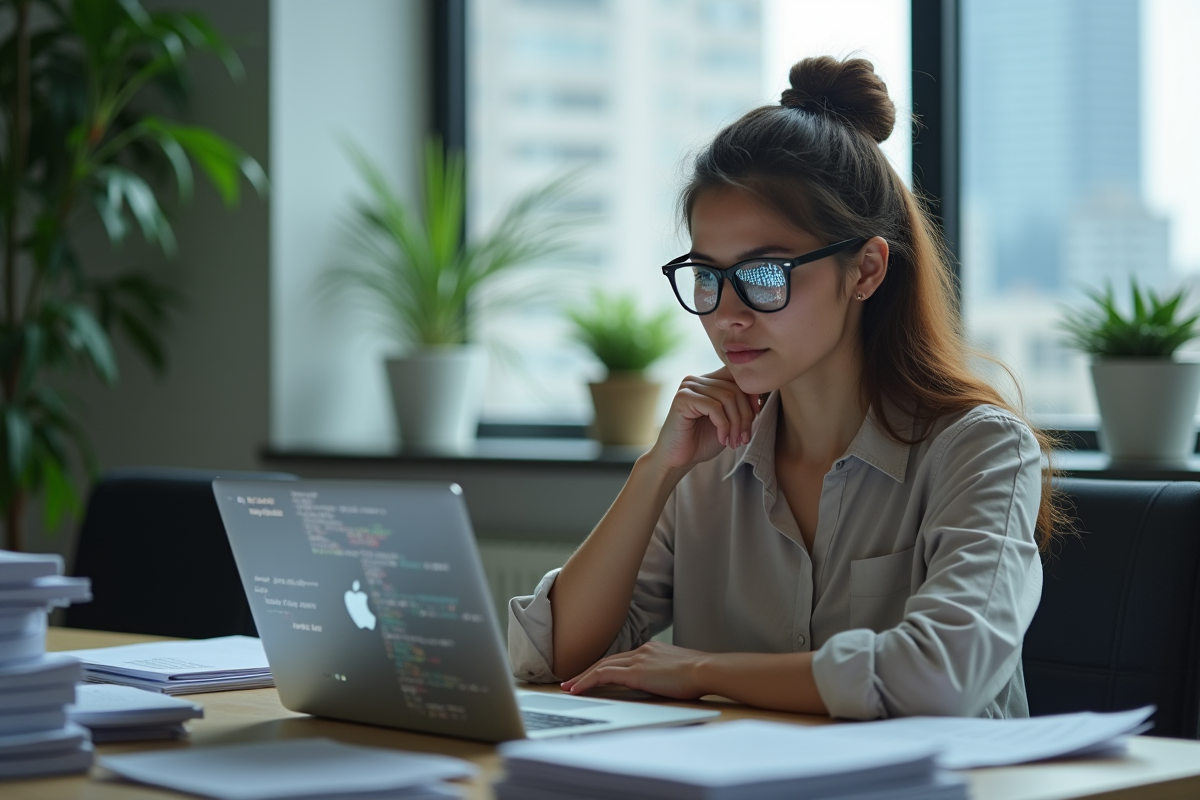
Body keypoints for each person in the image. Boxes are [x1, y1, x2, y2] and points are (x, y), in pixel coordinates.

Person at [508, 56, 1060, 720]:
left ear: (865, 270)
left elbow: (940, 677)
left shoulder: (980, 449)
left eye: (765, 273)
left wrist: (705, 671)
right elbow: (548, 658)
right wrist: (655, 472)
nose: (727, 312)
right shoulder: (706, 462)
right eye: (707, 275)